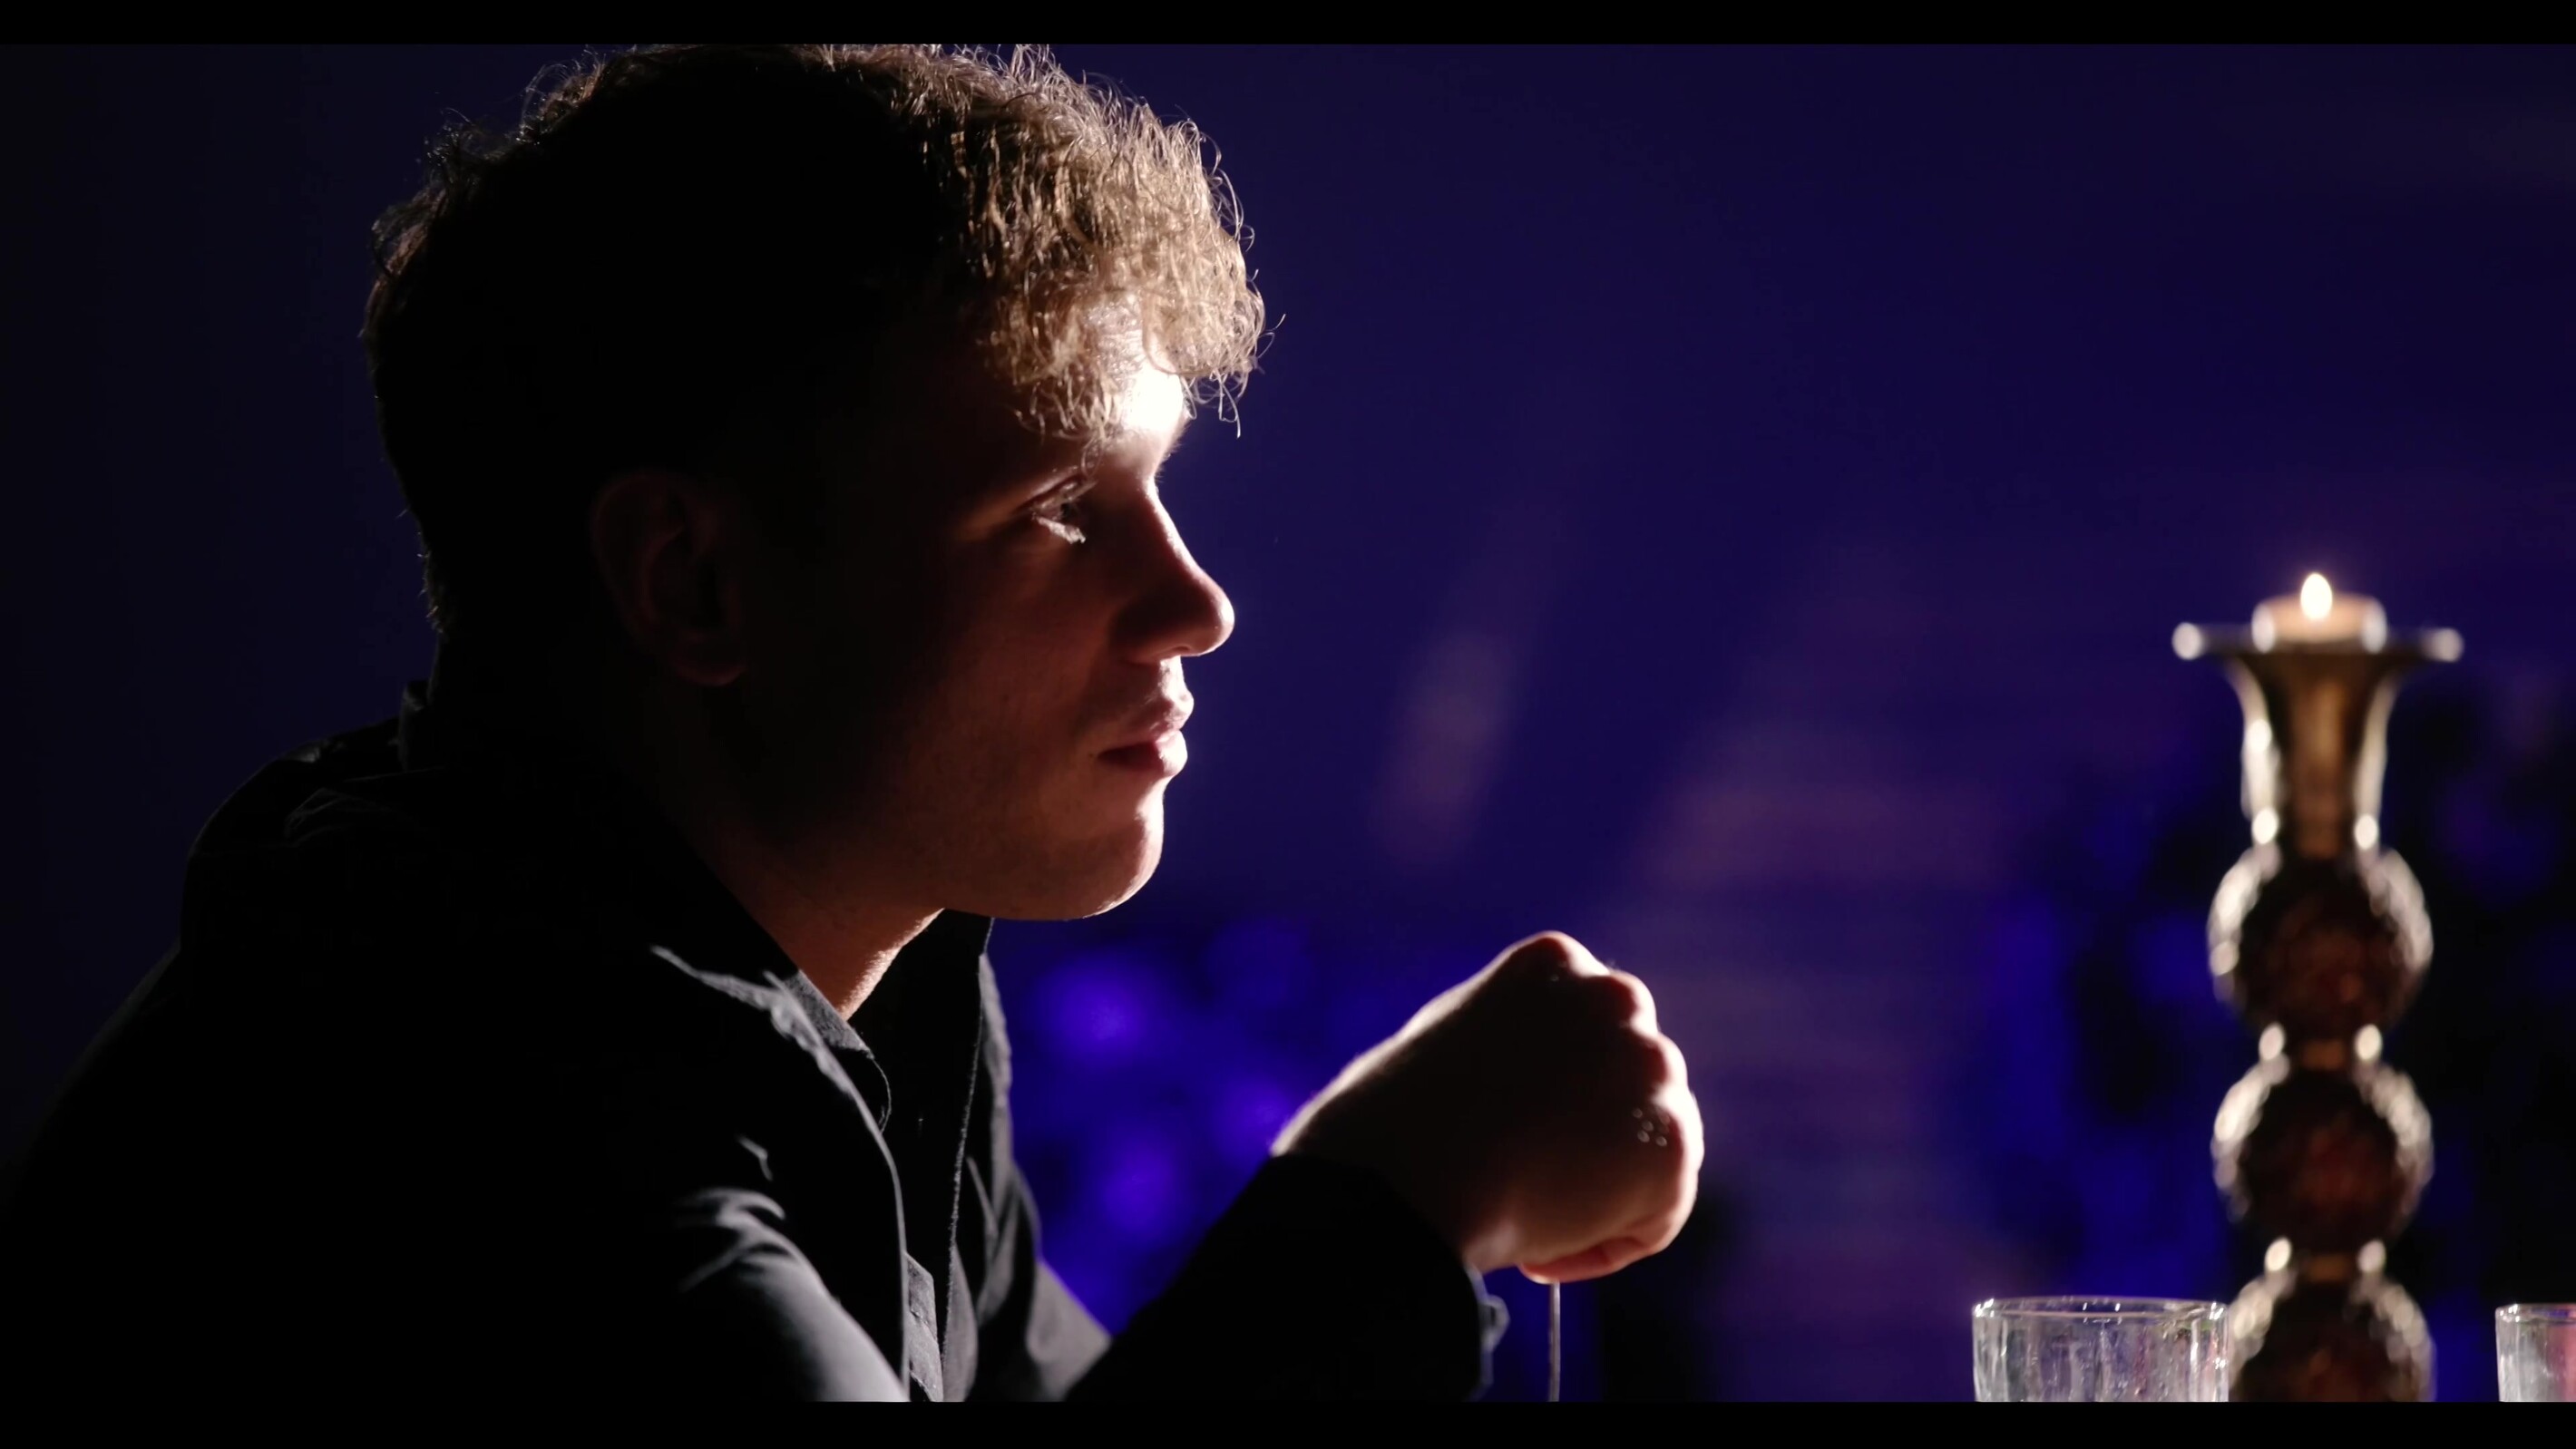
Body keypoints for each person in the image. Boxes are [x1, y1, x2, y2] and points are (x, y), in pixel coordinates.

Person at [0, 44, 1701, 1400]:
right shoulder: (477, 1114)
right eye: (1057, 508)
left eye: (1157, 492)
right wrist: (1404, 1184)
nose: (1196, 606)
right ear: (695, 582)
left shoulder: (872, 994)